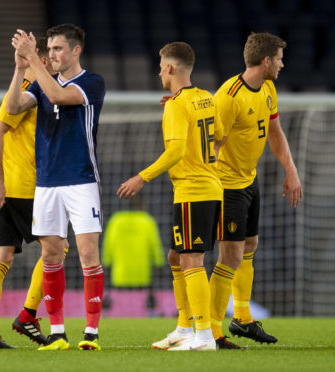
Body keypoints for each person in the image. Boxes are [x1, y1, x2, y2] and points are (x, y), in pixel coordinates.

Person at [118, 41, 223, 351]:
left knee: (191, 260)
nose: (158, 70)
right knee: (176, 257)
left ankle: (203, 336)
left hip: (193, 190)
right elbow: (218, 136)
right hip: (207, 187)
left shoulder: (179, 104)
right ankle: (183, 327)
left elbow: (175, 150)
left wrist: (142, 177)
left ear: (170, 68)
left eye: (160, 64)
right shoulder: (204, 98)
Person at [6, 23, 106, 351]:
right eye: (48, 49)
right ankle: (58, 333)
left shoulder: (92, 83)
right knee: (50, 254)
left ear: (76, 50)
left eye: (58, 49)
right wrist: (21, 68)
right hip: (47, 183)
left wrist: (33, 59)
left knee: (88, 254)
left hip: (81, 180)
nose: (52, 55)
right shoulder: (41, 81)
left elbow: (58, 95)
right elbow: (12, 107)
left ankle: (91, 333)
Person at [209, 32, 303, 348]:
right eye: (278, 58)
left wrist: (290, 169)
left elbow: (274, 131)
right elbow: (212, 146)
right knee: (231, 255)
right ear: (265, 61)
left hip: (249, 180)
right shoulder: (229, 96)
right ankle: (211, 330)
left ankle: (243, 319)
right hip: (226, 186)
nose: (282, 63)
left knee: (250, 245)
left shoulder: (267, 88)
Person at [0, 36, 64, 349]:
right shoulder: (32, 87)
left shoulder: (39, 86)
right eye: (50, 54)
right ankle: (28, 314)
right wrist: (1, 181)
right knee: (58, 248)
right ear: (39, 59)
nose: (54, 59)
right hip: (23, 188)